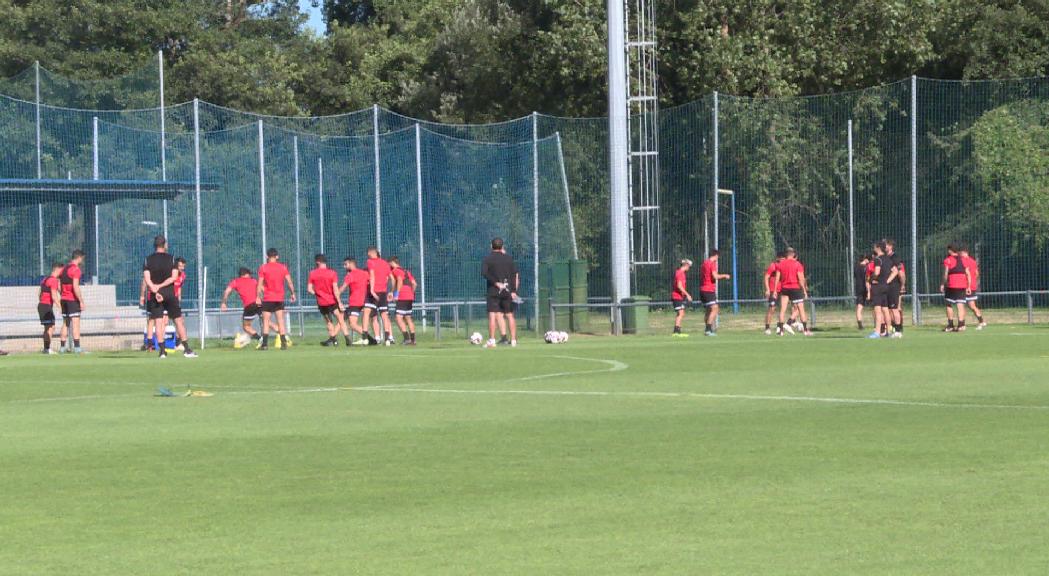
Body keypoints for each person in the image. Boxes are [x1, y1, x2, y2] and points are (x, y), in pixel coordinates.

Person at [143, 236, 196, 358]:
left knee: (158, 321)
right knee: (178, 320)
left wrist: (155, 288)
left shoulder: (147, 260)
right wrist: (161, 286)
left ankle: (162, 351)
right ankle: (187, 349)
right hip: (169, 293)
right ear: (164, 244)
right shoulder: (172, 259)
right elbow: (173, 277)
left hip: (155, 294)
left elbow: (147, 279)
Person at [481, 237, 519, 348]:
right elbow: (514, 275)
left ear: (491, 246)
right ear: (502, 246)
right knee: (510, 315)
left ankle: (492, 340)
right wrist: (513, 291)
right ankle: (513, 340)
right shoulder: (509, 258)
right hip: (507, 290)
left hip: (493, 290)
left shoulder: (487, 259)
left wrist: (496, 283)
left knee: (492, 314)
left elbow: (484, 273)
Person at [257, 248, 296, 350]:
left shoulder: (263, 268)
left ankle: (265, 344)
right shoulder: (283, 267)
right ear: (277, 256)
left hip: (268, 298)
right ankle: (283, 344)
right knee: (280, 321)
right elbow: (289, 282)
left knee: (266, 321)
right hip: (279, 298)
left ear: (267, 256)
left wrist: (258, 296)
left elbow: (260, 284)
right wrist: (293, 293)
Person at [308, 254, 345, 346]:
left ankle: (334, 340)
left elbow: (309, 289)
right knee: (341, 319)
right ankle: (346, 338)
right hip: (332, 300)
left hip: (322, 302)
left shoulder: (313, 273)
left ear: (317, 262)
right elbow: (335, 289)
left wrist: (318, 294)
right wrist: (339, 302)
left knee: (329, 321)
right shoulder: (332, 273)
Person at [221, 267, 261, 348]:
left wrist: (224, 303)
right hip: (259, 303)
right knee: (268, 322)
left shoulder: (235, 281)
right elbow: (262, 289)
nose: (250, 276)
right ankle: (282, 335)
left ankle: (261, 339)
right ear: (246, 274)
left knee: (246, 326)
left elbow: (227, 291)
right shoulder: (254, 281)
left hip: (249, 305)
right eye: (249, 274)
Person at [360, 246, 393, 346]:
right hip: (383, 292)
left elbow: (372, 275)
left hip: (374, 291)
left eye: (368, 253)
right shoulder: (385, 263)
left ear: (371, 253)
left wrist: (372, 290)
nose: (367, 255)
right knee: (384, 315)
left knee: (366, 312)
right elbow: (391, 278)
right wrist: (391, 291)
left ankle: (365, 337)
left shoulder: (370, 262)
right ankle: (387, 339)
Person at [775, 247, 811, 336]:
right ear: (793, 254)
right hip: (795, 288)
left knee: (782, 310)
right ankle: (806, 330)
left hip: (784, 289)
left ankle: (781, 330)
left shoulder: (780, 264)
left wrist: (775, 290)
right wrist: (804, 290)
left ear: (785, 254)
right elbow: (801, 279)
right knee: (801, 309)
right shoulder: (797, 264)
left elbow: (777, 278)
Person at [868, 241, 899, 339]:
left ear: (878, 248)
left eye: (874, 247)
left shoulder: (878, 260)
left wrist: (871, 279)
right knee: (885, 309)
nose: (873, 248)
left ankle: (877, 332)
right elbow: (895, 271)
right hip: (886, 287)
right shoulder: (888, 259)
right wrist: (887, 281)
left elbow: (876, 272)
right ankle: (889, 331)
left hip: (878, 287)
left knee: (877, 310)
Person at [58, 249, 86, 353]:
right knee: (75, 322)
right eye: (82, 259)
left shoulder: (63, 269)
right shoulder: (76, 270)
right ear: (79, 257)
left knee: (65, 323)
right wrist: (81, 300)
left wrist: (62, 294)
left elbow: (59, 285)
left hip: (63, 299)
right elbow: (75, 286)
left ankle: (62, 347)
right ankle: (77, 348)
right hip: (72, 300)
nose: (82, 261)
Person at [338, 257, 370, 346]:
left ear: (351, 264)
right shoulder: (364, 273)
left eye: (346, 264)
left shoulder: (350, 275)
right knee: (345, 321)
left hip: (355, 302)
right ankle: (368, 338)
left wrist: (336, 294)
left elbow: (343, 287)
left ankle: (368, 338)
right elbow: (370, 283)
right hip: (364, 301)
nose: (344, 267)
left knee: (352, 324)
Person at [940, 244, 972, 332]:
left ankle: (950, 325)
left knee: (948, 304)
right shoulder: (964, 260)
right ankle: (961, 325)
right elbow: (968, 274)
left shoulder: (948, 260)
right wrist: (968, 286)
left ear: (950, 250)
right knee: (960, 304)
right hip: (962, 285)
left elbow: (946, 273)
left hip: (952, 285)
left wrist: (943, 284)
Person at [698, 250, 731, 336]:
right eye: (718, 257)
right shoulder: (712, 263)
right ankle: (708, 330)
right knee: (715, 308)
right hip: (709, 290)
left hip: (702, 289)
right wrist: (725, 275)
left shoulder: (704, 263)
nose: (718, 259)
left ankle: (708, 330)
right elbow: (715, 276)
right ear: (715, 255)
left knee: (709, 310)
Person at [389, 257, 418, 345]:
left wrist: (396, 294)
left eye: (389, 264)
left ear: (392, 263)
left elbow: (400, 281)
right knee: (408, 318)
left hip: (402, 296)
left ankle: (407, 338)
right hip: (410, 296)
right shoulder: (406, 271)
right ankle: (413, 340)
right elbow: (414, 284)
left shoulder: (396, 270)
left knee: (398, 318)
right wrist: (411, 293)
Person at [959, 246, 987, 329]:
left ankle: (962, 324)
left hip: (964, 286)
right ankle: (981, 321)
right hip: (972, 286)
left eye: (961, 253)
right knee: (972, 306)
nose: (960, 254)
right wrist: (973, 281)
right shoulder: (973, 261)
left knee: (961, 305)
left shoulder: (962, 261)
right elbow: (977, 273)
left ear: (965, 252)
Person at [38, 262, 63, 354]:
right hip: (46, 306)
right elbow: (54, 295)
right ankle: (47, 348)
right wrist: (60, 306)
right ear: (58, 270)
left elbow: (40, 293)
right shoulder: (53, 280)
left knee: (49, 327)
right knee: (50, 328)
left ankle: (46, 348)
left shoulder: (45, 279)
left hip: (41, 305)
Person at [884, 239, 905, 337]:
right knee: (888, 309)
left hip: (894, 286)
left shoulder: (895, 257)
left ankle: (898, 330)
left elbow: (901, 272)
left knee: (895, 309)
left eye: (887, 245)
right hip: (886, 287)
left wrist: (903, 285)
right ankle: (891, 329)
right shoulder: (884, 258)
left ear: (891, 246)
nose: (885, 247)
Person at [671, 259, 693, 337]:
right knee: (680, 313)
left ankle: (677, 331)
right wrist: (687, 294)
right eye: (689, 266)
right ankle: (676, 331)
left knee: (681, 313)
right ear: (686, 265)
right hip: (677, 296)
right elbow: (679, 286)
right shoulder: (680, 273)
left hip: (679, 296)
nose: (689, 268)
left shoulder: (679, 272)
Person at [764, 253, 784, 335]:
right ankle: (767, 328)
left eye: (784, 259)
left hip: (782, 290)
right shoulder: (773, 266)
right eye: (781, 259)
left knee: (782, 309)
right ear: (777, 258)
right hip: (773, 290)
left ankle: (779, 327)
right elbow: (766, 277)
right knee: (772, 309)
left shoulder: (785, 266)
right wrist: (767, 289)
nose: (783, 261)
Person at [853, 253, 871, 331]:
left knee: (859, 306)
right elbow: (867, 278)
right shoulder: (866, 268)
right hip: (865, 288)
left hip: (858, 288)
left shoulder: (856, 266)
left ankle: (860, 324)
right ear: (865, 259)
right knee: (876, 307)